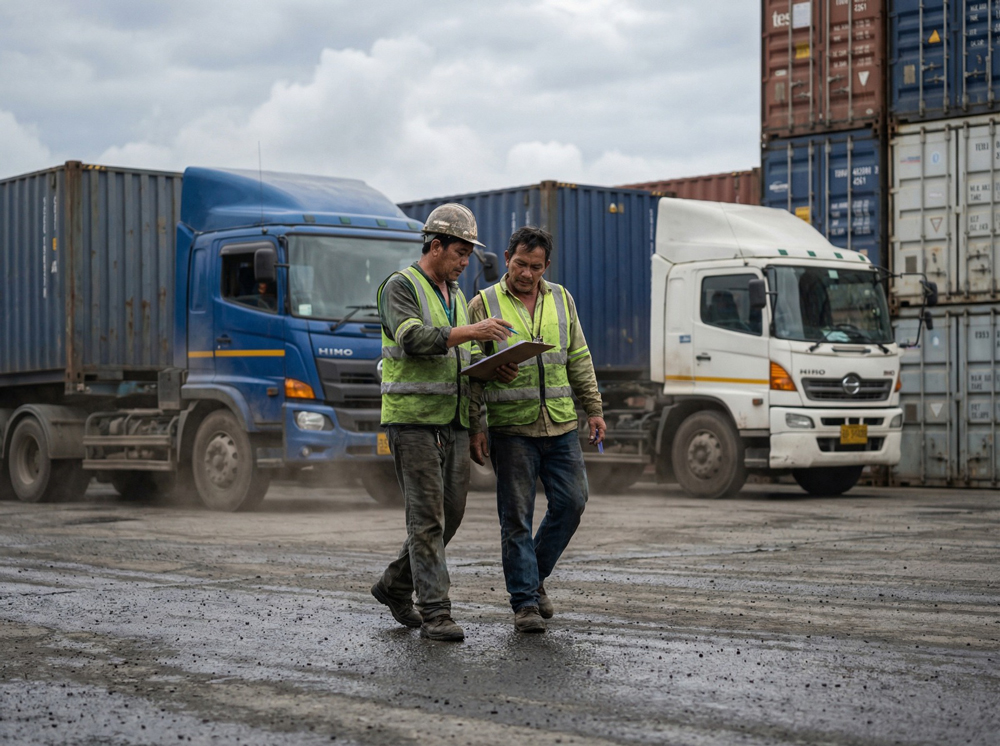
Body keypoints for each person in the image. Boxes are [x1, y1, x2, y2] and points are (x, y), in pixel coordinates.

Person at [371, 203, 517, 642]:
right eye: (460, 252)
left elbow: (465, 364)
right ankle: (435, 612)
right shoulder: (400, 287)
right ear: (436, 246)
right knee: (427, 519)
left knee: (449, 516)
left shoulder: (454, 296)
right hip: (412, 423)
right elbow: (414, 339)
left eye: (469, 254)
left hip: (452, 423)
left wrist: (478, 421)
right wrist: (473, 333)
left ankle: (394, 585)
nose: (466, 261)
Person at [468, 226, 606, 633]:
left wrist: (594, 410)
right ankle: (525, 603)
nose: (526, 274)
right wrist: (478, 423)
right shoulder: (483, 304)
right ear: (507, 257)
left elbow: (579, 357)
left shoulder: (562, 298)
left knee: (573, 502)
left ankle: (535, 576)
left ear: (547, 265)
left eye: (535, 266)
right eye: (520, 264)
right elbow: (472, 371)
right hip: (511, 430)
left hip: (561, 424)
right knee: (516, 519)